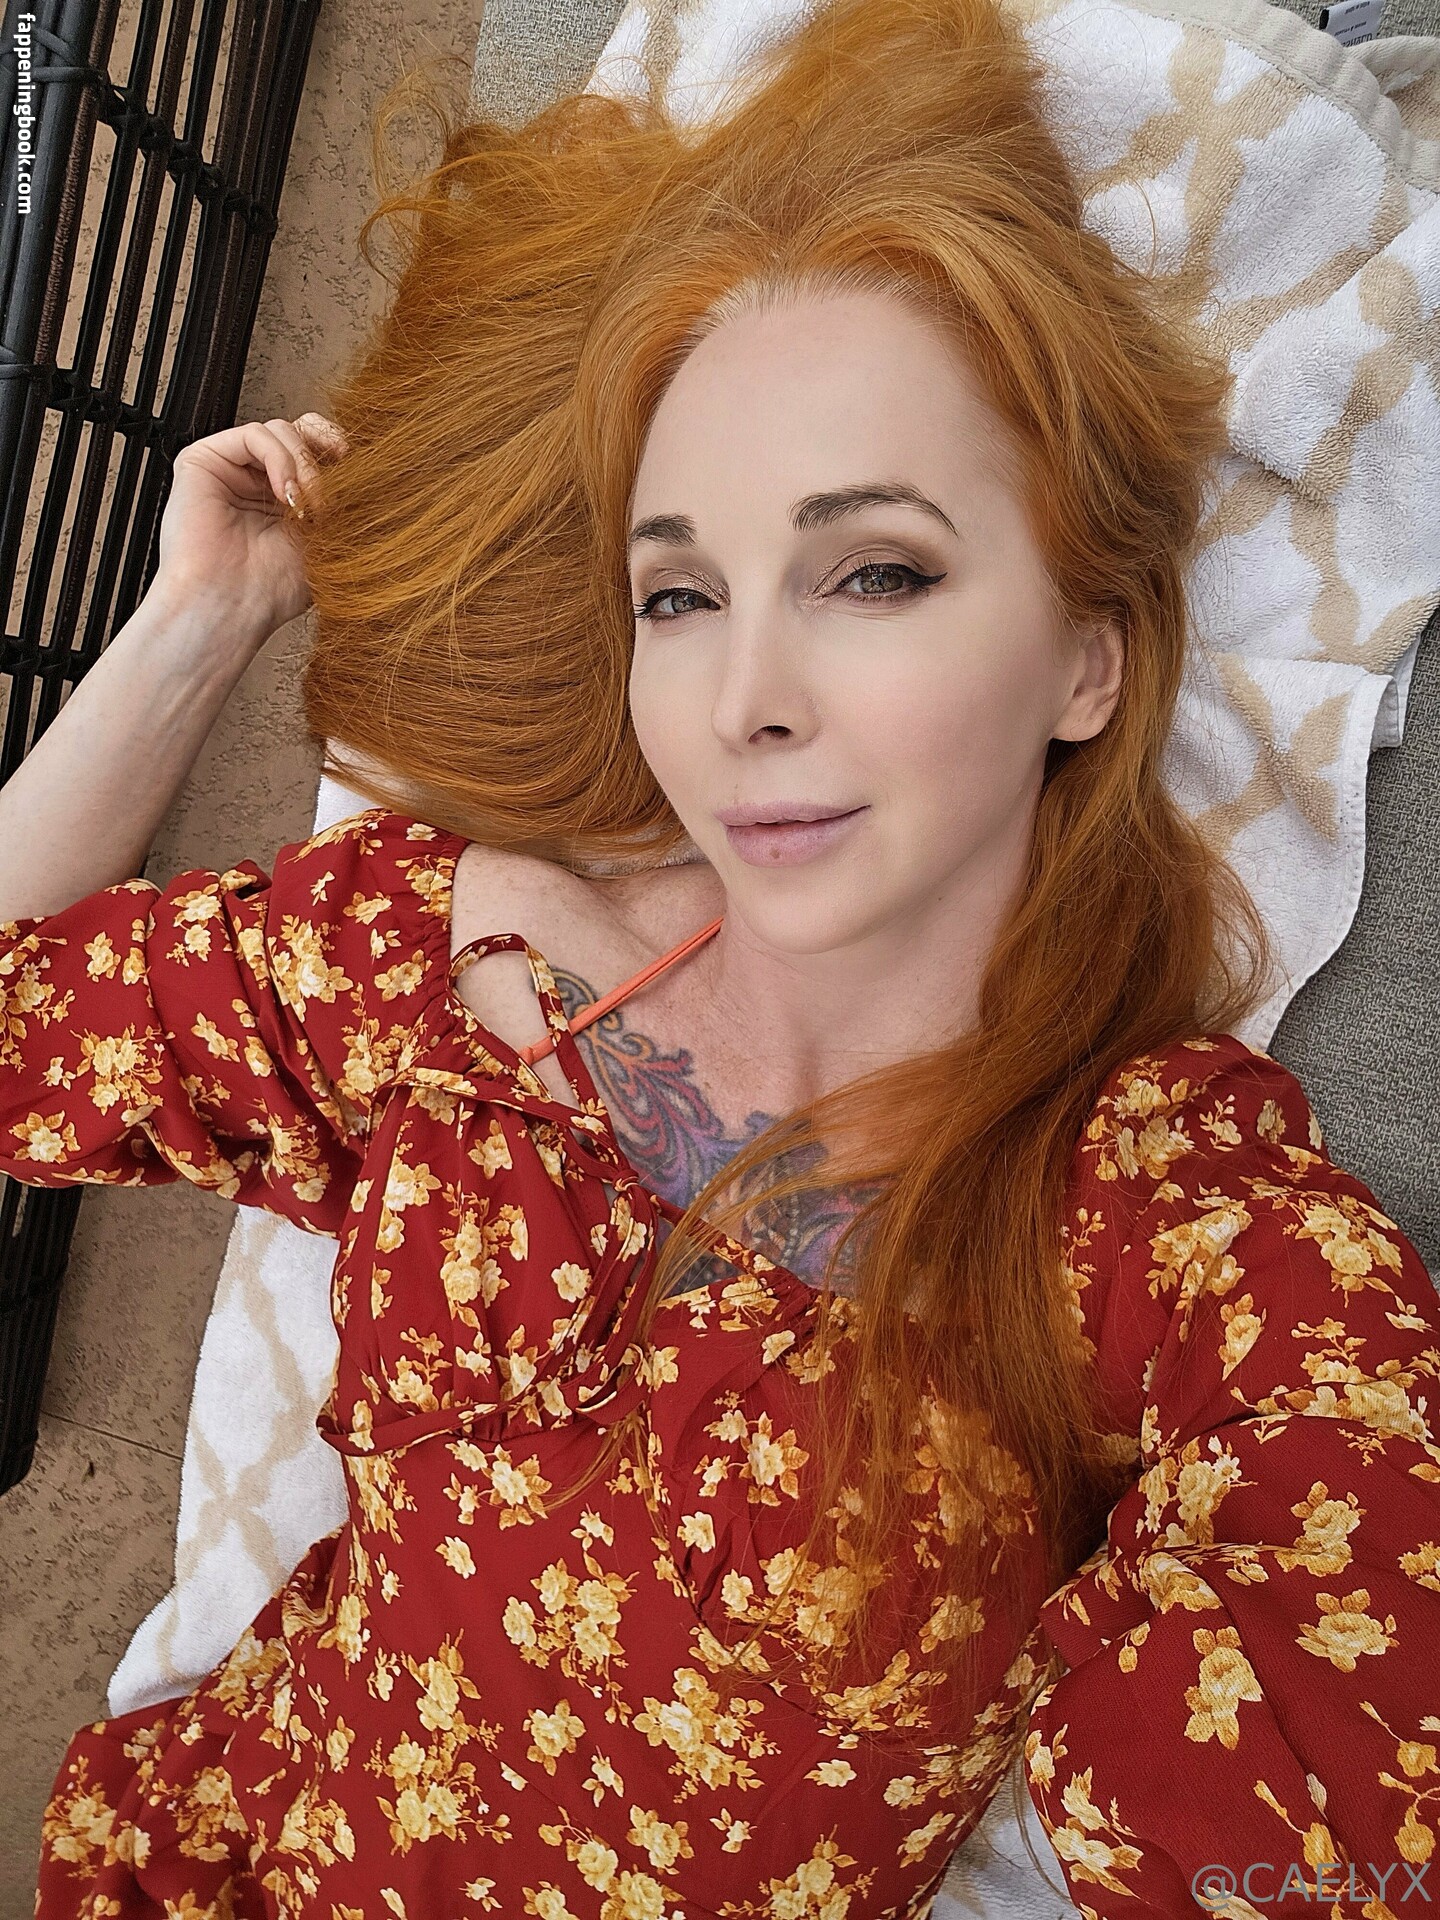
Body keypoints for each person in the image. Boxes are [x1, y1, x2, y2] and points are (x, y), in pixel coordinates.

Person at [4, 0, 1438, 1912]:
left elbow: (1333, 1761)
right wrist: (204, 617)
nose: (747, 697)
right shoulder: (448, 960)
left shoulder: (1158, 1217)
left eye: (877, 571)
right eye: (678, 593)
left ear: (1089, 660)